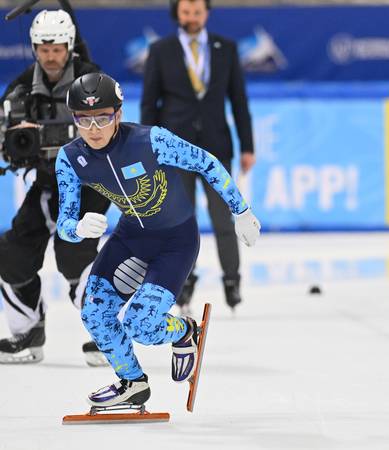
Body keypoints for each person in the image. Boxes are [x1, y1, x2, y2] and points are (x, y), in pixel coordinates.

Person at [56, 72, 260, 407]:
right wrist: (75, 229)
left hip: (175, 242)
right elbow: (64, 221)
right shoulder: (70, 157)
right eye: (84, 120)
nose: (94, 129)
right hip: (130, 239)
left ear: (118, 114)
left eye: (103, 118)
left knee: (141, 325)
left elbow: (206, 163)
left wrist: (240, 210)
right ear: (74, 119)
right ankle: (133, 383)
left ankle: (184, 331)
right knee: (93, 312)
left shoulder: (150, 141)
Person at [0, 10, 110, 366]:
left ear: (69, 46)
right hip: (46, 183)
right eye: (43, 49)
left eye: (57, 48)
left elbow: (111, 129)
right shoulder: (19, 88)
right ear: (34, 47)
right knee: (11, 257)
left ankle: (108, 334)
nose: (50, 56)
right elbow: (8, 141)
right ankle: (28, 333)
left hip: (88, 183)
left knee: (75, 256)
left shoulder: (91, 80)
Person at [140, 0, 255, 312]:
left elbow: (239, 101)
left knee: (223, 216)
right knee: (180, 220)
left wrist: (248, 146)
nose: (191, 17)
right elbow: (150, 102)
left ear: (207, 13)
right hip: (175, 149)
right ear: (177, 13)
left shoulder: (226, 48)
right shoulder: (160, 50)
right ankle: (184, 280)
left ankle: (232, 279)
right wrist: (147, 146)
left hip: (217, 147)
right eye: (186, 11)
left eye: (197, 11)